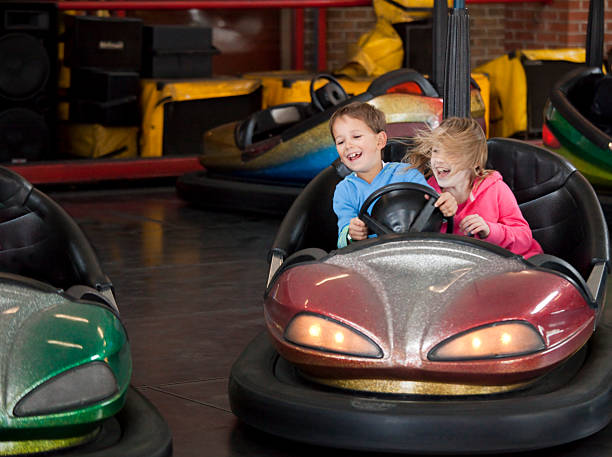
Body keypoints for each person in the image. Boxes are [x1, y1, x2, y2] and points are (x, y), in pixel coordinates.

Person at [405, 116, 543, 258]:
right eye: (435, 151)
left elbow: (524, 239)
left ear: (475, 162)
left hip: (515, 264)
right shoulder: (428, 193)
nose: (439, 159)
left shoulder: (495, 189)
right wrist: (439, 215)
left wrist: (490, 231)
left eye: (451, 153)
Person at [331, 102, 457, 248]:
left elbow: (432, 208)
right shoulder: (345, 191)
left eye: (356, 136)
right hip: (370, 256)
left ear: (380, 141)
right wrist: (351, 233)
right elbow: (342, 239)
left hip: (417, 249)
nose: (348, 146)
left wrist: (446, 205)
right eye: (340, 142)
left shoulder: (407, 173)